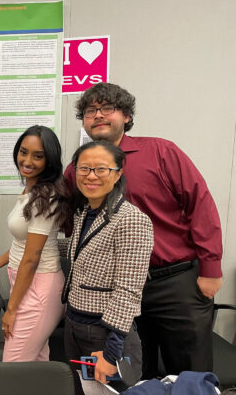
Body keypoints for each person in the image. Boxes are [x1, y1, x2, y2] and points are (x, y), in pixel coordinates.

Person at [65, 83, 223, 378]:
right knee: (133, 373)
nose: (98, 116)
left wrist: (211, 268)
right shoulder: (78, 168)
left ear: (125, 115)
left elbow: (200, 205)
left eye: (107, 108)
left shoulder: (161, 151)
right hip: (116, 293)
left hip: (173, 283)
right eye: (90, 111)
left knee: (189, 373)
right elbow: (70, 221)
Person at [61, 141, 154, 393]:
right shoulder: (85, 212)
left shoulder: (132, 220)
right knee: (81, 390)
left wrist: (112, 354)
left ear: (118, 173)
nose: (91, 176)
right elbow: (80, 253)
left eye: (101, 169)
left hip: (105, 333)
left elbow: (128, 290)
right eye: (84, 168)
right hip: (74, 324)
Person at [0, 125, 70, 362]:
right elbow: (21, 244)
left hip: (39, 289)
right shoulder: (31, 190)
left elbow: (32, 257)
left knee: (13, 367)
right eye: (24, 152)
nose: (27, 160)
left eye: (38, 156)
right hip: (27, 285)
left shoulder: (46, 197)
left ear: (50, 160)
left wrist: (11, 311)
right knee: (36, 366)